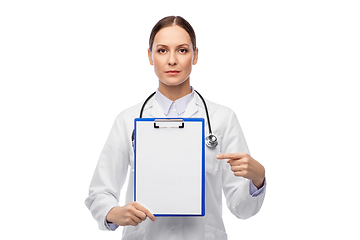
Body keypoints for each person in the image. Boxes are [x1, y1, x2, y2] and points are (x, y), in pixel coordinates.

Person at [85, 16, 266, 240]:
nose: (172, 60)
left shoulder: (222, 119)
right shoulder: (127, 120)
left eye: (182, 50)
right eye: (162, 51)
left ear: (195, 55)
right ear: (150, 56)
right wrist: (114, 213)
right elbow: (100, 192)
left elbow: (242, 208)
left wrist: (257, 180)